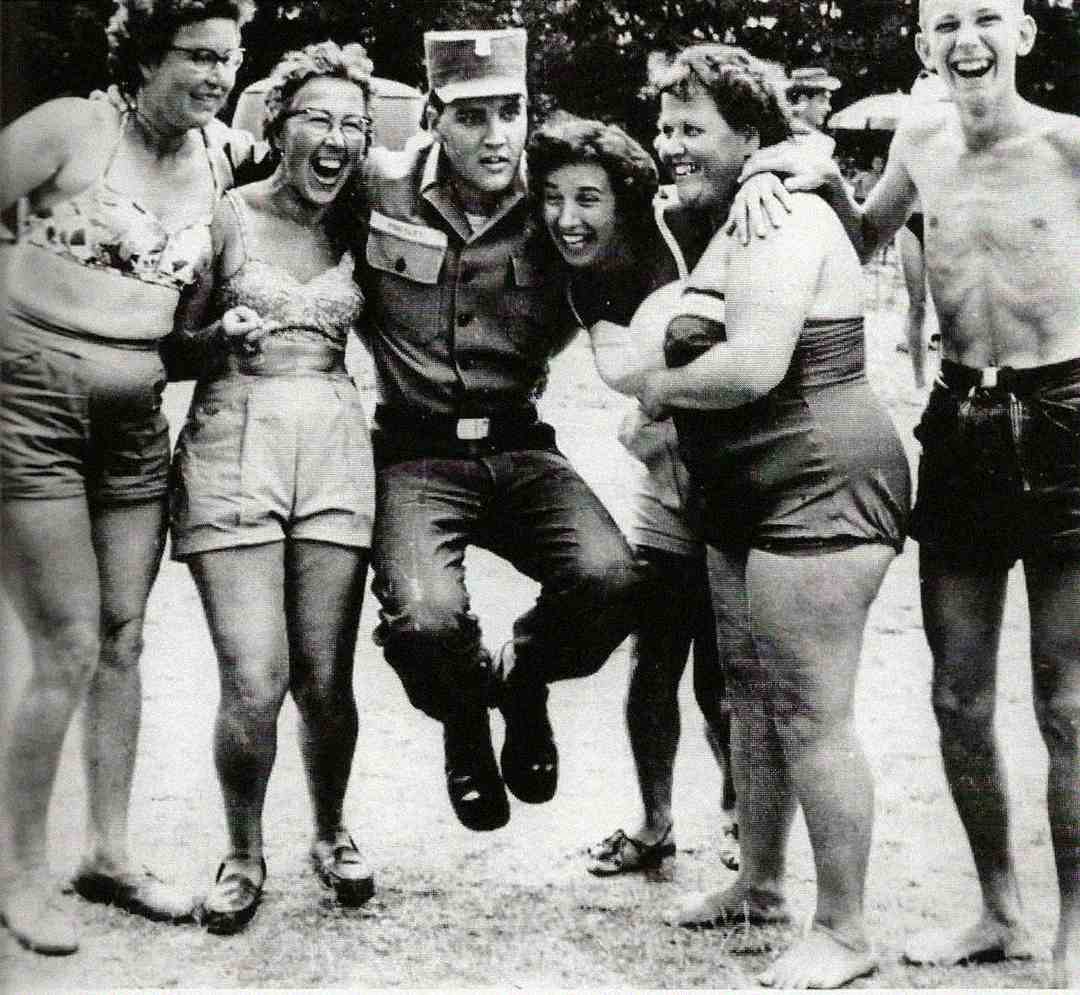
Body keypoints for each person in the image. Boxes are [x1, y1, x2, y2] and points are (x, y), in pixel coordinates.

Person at [731, 0, 1080, 986]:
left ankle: (1074, 930)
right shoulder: (923, 135)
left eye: (986, 18)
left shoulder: (1069, 146)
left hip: (1066, 419)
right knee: (957, 696)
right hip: (962, 424)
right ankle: (1001, 910)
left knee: (1067, 705)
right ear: (924, 42)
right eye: (945, 23)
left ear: (1024, 34)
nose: (966, 38)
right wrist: (797, 172)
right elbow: (871, 228)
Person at [631, 44, 910, 989]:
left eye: (693, 128)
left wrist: (658, 391)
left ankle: (844, 927)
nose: (671, 145)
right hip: (742, 491)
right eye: (664, 127)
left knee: (809, 711)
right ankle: (759, 884)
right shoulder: (723, 214)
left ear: (751, 135)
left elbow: (752, 364)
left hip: (818, 481)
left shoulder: (778, 210)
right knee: (747, 694)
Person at [0, 0, 254, 955]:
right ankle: (20, 871)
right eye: (198, 55)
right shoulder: (72, 128)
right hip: (31, 411)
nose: (218, 74)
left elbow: (348, 164)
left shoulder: (221, 159)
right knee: (66, 641)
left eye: (229, 59)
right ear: (146, 53)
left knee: (121, 636)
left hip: (135, 419)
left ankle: (108, 852)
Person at [359, 29, 645, 834]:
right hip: (416, 452)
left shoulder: (559, 200)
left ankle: (521, 679)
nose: (495, 136)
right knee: (424, 620)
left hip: (520, 444)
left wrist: (784, 168)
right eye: (471, 115)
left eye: (509, 112)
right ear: (432, 115)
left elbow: (668, 234)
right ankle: (464, 717)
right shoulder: (377, 189)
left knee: (611, 580)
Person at [165, 40, 377, 935]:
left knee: (326, 676)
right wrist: (218, 336)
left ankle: (330, 834)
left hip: (332, 435)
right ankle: (242, 852)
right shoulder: (225, 216)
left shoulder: (361, 219)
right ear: (277, 125)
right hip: (232, 437)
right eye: (318, 119)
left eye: (354, 125)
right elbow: (169, 345)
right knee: (255, 674)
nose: (337, 138)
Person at [525, 114, 739, 877]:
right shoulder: (567, 267)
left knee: (723, 670)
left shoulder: (687, 222)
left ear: (626, 196)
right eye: (553, 197)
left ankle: (742, 816)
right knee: (655, 656)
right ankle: (653, 824)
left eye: (589, 197)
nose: (569, 217)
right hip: (661, 472)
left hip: (733, 470)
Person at [785, 66, 840, 157]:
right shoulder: (823, 143)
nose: (829, 108)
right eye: (822, 101)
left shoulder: (825, 142)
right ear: (803, 100)